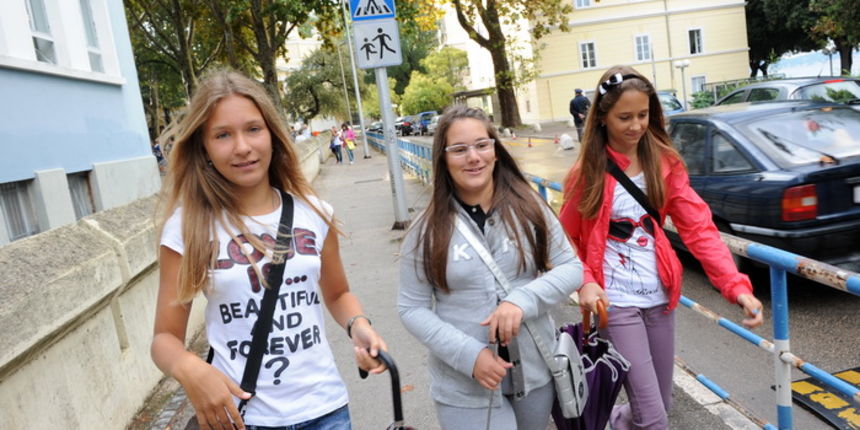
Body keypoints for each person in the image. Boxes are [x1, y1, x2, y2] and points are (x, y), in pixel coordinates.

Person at [152, 69, 387, 430]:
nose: (242, 147)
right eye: (223, 135)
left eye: (253, 129)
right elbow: (165, 339)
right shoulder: (188, 228)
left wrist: (359, 326)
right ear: (204, 147)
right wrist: (189, 368)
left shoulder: (314, 214)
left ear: (273, 135)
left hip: (325, 411)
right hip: (240, 418)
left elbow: (338, 294)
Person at [559, 65, 764, 430]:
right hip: (614, 302)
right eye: (625, 117)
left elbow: (699, 228)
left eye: (643, 115)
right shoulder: (587, 172)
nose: (636, 125)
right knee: (654, 419)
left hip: (660, 297)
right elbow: (565, 240)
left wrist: (736, 286)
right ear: (603, 117)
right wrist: (586, 281)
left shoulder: (665, 163)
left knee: (658, 406)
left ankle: (613, 422)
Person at [398, 105, 583, 430]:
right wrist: (469, 355)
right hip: (463, 387)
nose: (473, 157)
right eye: (459, 149)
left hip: (535, 373)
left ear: (495, 150)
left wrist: (521, 301)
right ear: (443, 158)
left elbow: (570, 267)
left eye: (482, 144)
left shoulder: (530, 207)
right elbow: (411, 308)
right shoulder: (425, 231)